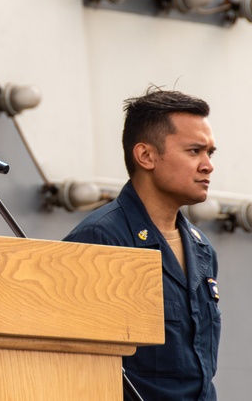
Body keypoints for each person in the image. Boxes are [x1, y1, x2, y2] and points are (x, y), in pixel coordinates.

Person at [64, 88, 220, 401]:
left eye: (210, 153)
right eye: (194, 151)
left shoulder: (202, 249)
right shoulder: (101, 240)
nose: (207, 166)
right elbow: (76, 369)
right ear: (146, 156)